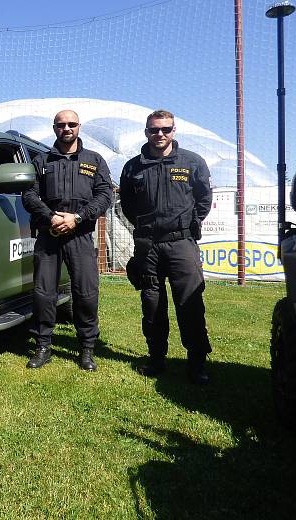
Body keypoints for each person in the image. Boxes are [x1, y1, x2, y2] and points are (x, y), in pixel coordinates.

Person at [119, 109, 213, 385]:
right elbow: (127, 205)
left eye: (165, 129)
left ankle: (197, 363)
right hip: (148, 245)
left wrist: (187, 224)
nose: (159, 134)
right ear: (146, 132)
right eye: (154, 130)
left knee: (190, 303)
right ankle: (156, 358)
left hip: (181, 243)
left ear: (174, 130)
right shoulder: (132, 167)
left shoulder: (193, 163)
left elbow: (203, 200)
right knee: (152, 303)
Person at [22, 110, 113, 371]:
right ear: (54, 128)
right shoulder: (41, 161)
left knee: (85, 292)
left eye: (71, 124)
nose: (67, 128)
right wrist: (50, 217)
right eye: (61, 125)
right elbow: (29, 195)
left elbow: (104, 195)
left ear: (79, 127)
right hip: (49, 236)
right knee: (43, 293)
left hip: (81, 234)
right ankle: (43, 346)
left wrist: (78, 218)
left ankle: (86, 348)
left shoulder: (94, 160)